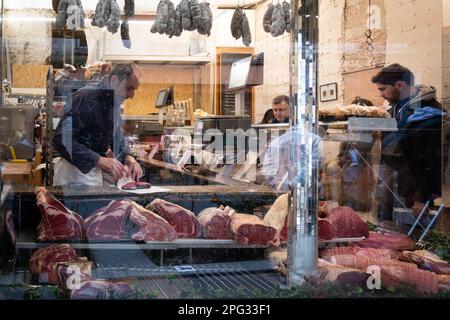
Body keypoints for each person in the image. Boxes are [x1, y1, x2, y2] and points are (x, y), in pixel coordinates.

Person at [52, 63, 143, 186]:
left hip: (92, 174)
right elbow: (61, 139)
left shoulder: (113, 103)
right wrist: (97, 159)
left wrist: (128, 156)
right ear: (115, 81)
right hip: (72, 174)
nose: (131, 96)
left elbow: (117, 137)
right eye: (129, 88)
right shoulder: (86, 97)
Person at [371, 63, 447, 207]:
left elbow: (434, 158)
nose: (381, 94)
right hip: (393, 186)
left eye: (383, 89)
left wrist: (422, 196)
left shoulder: (430, 111)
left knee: (413, 228)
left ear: (399, 85)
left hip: (414, 190)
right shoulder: (394, 110)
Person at [261, 125, 322, 191]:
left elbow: (267, 168)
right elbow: (312, 167)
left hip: (282, 191)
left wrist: (275, 182)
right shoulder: (315, 139)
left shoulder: (275, 142)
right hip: (308, 193)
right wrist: (292, 184)